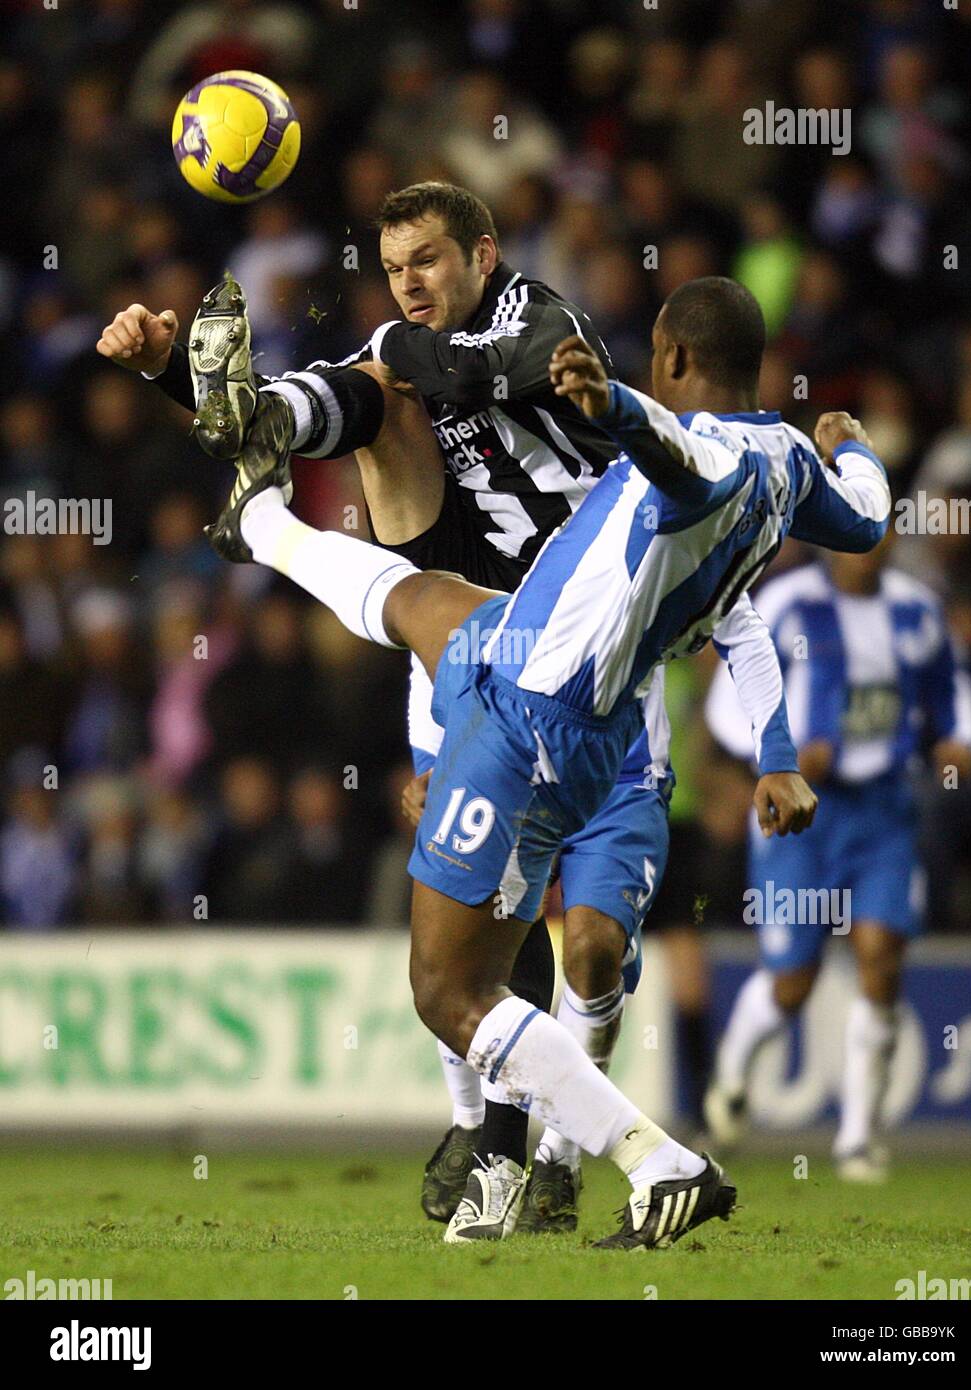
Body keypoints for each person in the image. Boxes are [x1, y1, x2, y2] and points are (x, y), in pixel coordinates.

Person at [96, 184, 766, 1238]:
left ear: (483, 255)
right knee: (460, 945)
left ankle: (549, 1147)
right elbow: (306, 408)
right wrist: (182, 378)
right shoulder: (394, 356)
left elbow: (480, 367)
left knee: (577, 944)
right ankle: (494, 1141)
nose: (408, 283)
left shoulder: (546, 326)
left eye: (430, 262)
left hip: (578, 659)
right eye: (394, 264)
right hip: (458, 653)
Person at [184, 277, 888, 1247]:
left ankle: (659, 1164)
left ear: (675, 358)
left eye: (653, 355)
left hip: (541, 725)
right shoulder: (788, 463)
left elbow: (679, 460)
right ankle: (258, 520)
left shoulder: (706, 454)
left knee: (449, 992)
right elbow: (865, 516)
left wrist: (616, 405)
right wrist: (848, 444)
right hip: (520, 657)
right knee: (419, 599)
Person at [703, 537, 971, 1180]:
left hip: (883, 810)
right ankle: (733, 1076)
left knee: (880, 954)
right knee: (791, 983)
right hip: (800, 811)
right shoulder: (785, 605)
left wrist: (959, 741)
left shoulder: (917, 611)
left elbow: (951, 689)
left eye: (880, 529)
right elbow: (725, 703)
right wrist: (778, 757)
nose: (867, 546)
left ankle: (857, 1137)